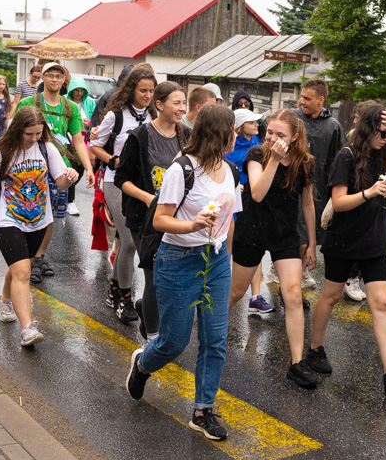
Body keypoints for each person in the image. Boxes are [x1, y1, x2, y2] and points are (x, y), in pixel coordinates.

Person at [126, 104, 241, 442]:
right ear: (218, 135)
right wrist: (192, 224)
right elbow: (160, 220)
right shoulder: (182, 169)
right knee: (174, 341)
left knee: (215, 339)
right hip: (178, 259)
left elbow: (229, 218)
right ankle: (143, 364)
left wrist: (227, 255)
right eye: (232, 130)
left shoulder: (231, 170)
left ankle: (203, 410)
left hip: (216, 262)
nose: (236, 136)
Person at [308, 102, 386, 392]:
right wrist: (369, 192)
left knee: (381, 302)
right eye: (382, 133)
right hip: (344, 238)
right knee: (331, 295)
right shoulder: (346, 156)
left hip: (373, 239)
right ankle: (315, 348)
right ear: (367, 129)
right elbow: (337, 202)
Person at [0, 106, 79, 347]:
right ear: (17, 131)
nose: (34, 138)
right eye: (29, 134)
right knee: (23, 272)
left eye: (38, 133)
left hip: (39, 221)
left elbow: (60, 183)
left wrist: (70, 176)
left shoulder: (47, 149)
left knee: (18, 268)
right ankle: (27, 328)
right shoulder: (1, 153)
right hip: (9, 219)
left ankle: (5, 299)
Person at [229, 109, 318, 388]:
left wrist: (312, 243)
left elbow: (307, 204)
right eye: (270, 132)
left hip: (285, 235)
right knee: (235, 292)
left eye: (280, 135)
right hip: (252, 229)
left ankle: (296, 363)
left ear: (294, 136)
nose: (272, 138)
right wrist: (275, 160)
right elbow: (256, 192)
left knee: (292, 294)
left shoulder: (305, 162)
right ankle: (202, 327)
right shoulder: (257, 154)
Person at [115, 81, 188, 344]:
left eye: (184, 103)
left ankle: (147, 309)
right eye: (176, 103)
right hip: (143, 217)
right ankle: (152, 340)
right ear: (160, 105)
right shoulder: (140, 136)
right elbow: (120, 178)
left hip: (175, 216)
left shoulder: (187, 136)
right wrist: (147, 198)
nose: (182, 108)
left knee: (169, 278)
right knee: (154, 276)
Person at [15, 62, 95, 282]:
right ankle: (30, 257)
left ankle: (39, 257)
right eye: (50, 75)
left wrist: (88, 168)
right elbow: (13, 134)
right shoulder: (27, 102)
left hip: (58, 168)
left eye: (59, 76)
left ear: (64, 79)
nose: (54, 79)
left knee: (50, 215)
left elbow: (78, 140)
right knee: (29, 213)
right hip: (29, 169)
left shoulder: (70, 107)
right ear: (43, 77)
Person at [90, 67, 157, 324]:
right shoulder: (115, 116)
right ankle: (125, 299)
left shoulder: (154, 115)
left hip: (141, 188)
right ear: (131, 90)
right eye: (143, 90)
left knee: (124, 241)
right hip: (114, 183)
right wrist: (113, 160)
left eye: (151, 91)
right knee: (129, 242)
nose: (147, 95)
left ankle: (114, 290)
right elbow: (94, 145)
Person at [293, 79, 346, 289]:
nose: (302, 101)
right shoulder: (293, 119)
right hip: (293, 186)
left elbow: (339, 160)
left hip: (319, 189)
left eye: (307, 98)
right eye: (302, 97)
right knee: (297, 233)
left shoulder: (333, 126)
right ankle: (293, 270)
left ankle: (300, 268)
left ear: (321, 100)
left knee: (310, 231)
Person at [225, 108, 267, 311]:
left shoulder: (258, 144)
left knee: (253, 246)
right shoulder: (230, 146)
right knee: (229, 251)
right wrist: (234, 186)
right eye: (252, 122)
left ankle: (256, 296)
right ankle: (223, 291)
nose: (257, 125)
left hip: (251, 203)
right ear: (241, 126)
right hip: (232, 202)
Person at [65, 76, 96, 216]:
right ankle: (70, 200)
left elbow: (96, 120)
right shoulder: (64, 101)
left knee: (80, 170)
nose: (78, 93)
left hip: (84, 143)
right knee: (71, 168)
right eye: (76, 90)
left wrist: (88, 124)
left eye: (81, 90)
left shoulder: (89, 102)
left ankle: (65, 191)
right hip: (67, 141)